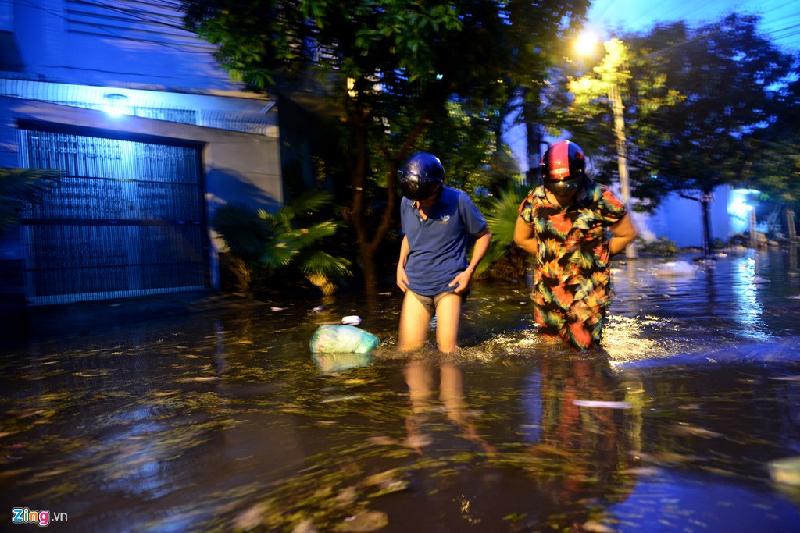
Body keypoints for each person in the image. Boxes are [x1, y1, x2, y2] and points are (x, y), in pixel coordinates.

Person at [514, 140, 637, 349]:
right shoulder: (535, 200)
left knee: (583, 353)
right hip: (548, 290)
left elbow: (627, 234)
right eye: (556, 185)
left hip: (589, 290)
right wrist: (554, 254)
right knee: (549, 355)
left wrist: (598, 255)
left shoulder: (600, 197)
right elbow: (521, 238)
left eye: (569, 185)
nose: (563, 192)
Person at [396, 152, 491, 354]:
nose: (419, 205)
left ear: (437, 187)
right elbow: (409, 236)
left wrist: (469, 271)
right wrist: (400, 265)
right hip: (416, 283)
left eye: (424, 199)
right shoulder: (407, 201)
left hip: (449, 284)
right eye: (416, 200)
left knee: (448, 355)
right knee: (408, 354)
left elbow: (484, 235)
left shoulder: (459, 201)